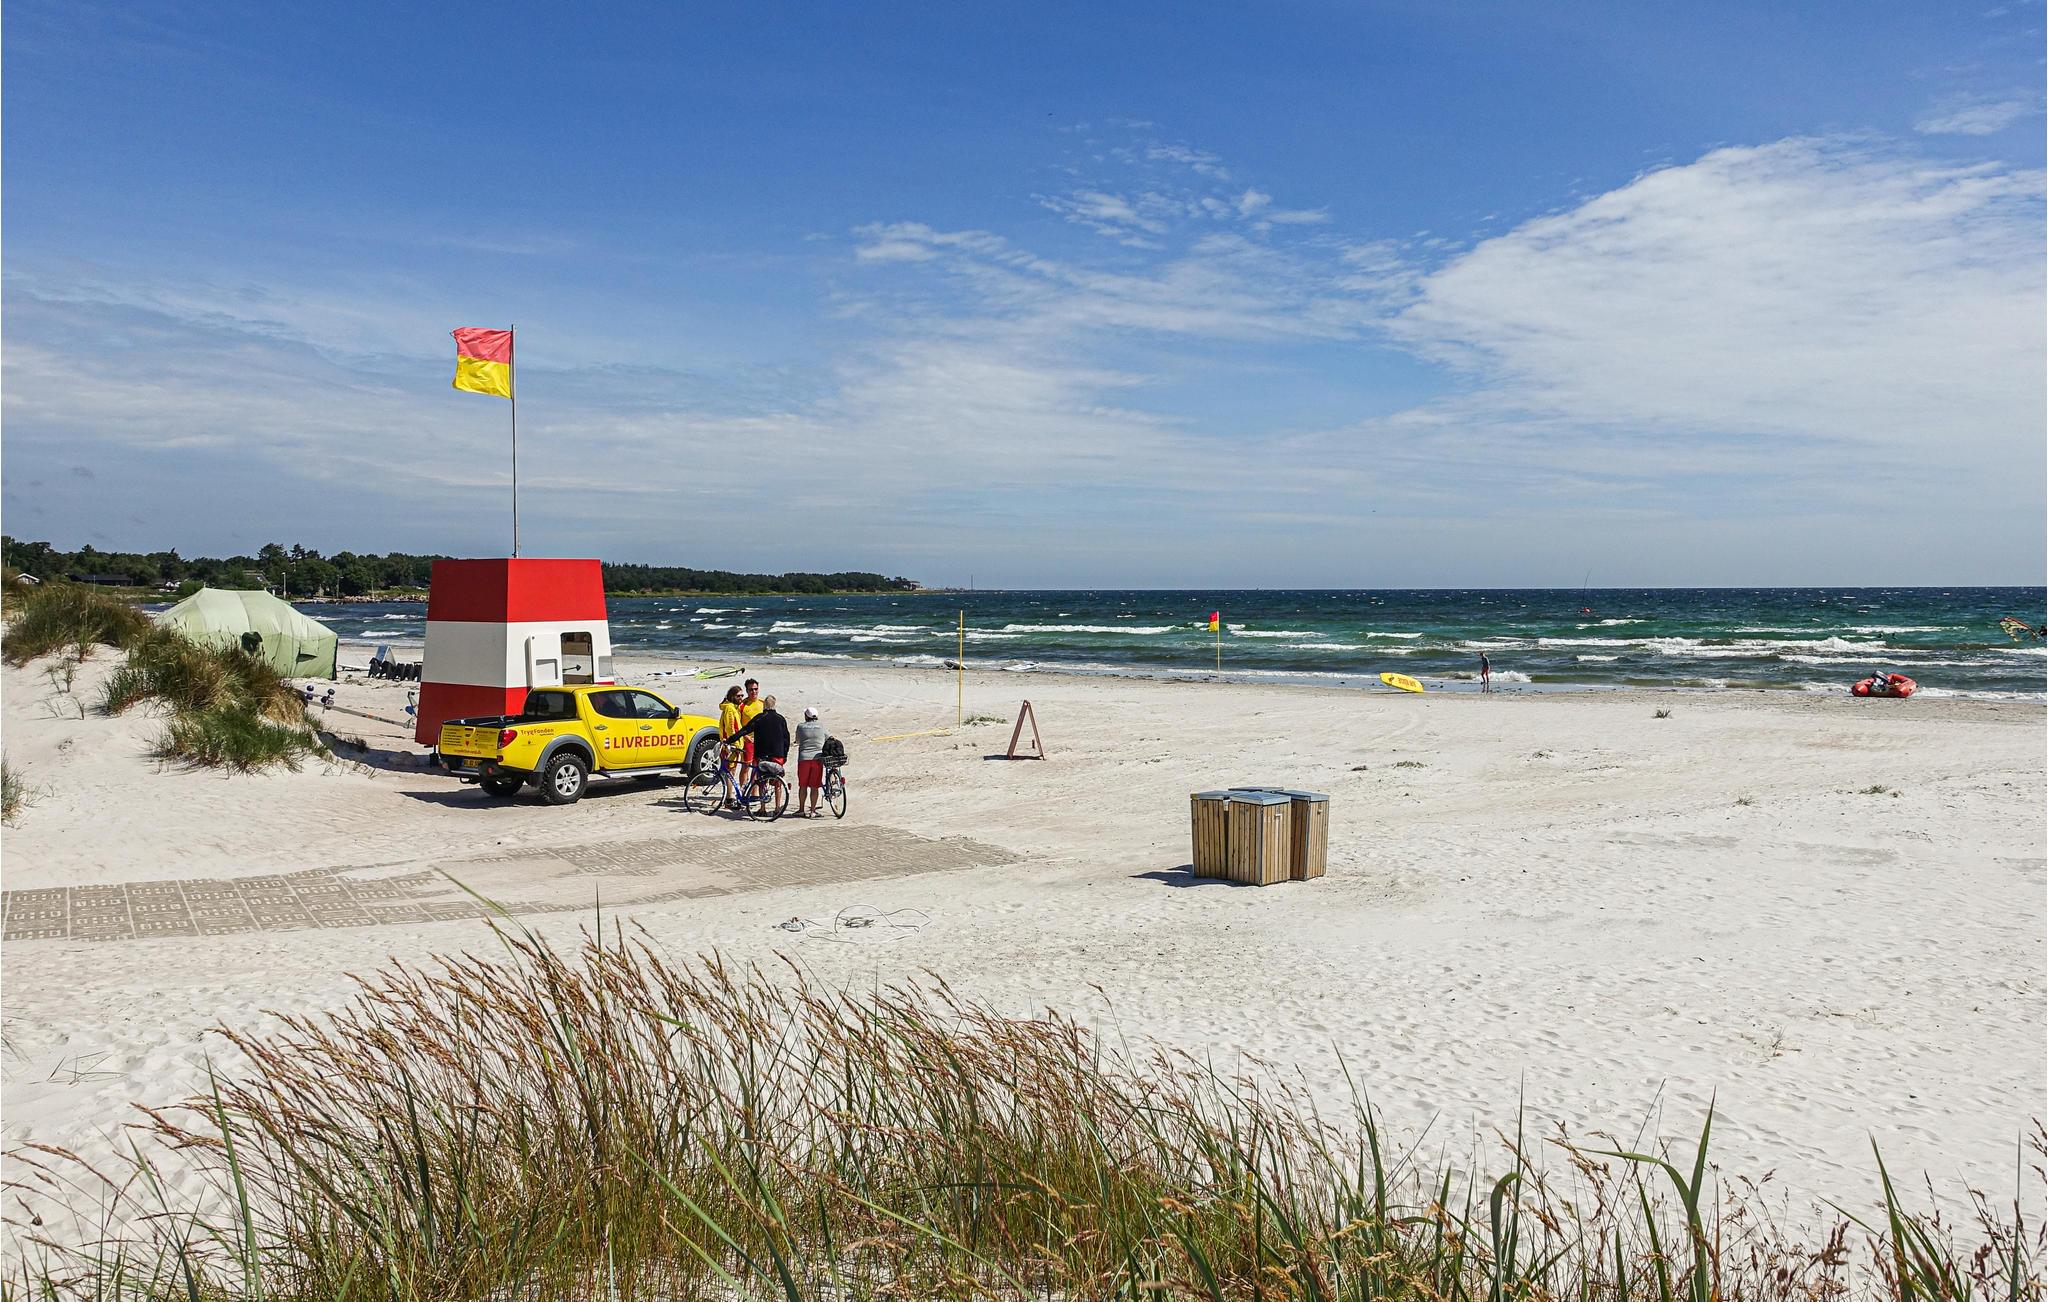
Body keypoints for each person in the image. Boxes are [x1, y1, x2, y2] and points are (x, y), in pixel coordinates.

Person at [726, 694, 791, 806]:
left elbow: (745, 730)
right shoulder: (781, 719)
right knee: (777, 782)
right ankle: (777, 807)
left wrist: (730, 740)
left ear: (764, 706)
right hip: (778, 754)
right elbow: (786, 738)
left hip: (762, 754)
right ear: (775, 705)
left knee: (762, 781)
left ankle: (762, 808)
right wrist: (785, 754)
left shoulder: (759, 717)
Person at [793, 706, 828, 817]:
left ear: (806, 716)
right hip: (817, 759)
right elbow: (828, 737)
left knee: (803, 785)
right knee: (814, 786)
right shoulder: (821, 726)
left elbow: (798, 740)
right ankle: (813, 811)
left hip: (804, 759)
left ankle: (801, 809)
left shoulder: (800, 726)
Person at [738, 677, 764, 783]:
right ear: (747, 691)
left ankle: (754, 790)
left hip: (761, 740)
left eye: (755, 689)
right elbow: (737, 724)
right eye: (751, 689)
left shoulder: (763, 703)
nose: (754, 692)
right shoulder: (742, 706)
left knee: (758, 767)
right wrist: (745, 736)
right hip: (748, 740)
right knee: (746, 767)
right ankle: (743, 789)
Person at [717, 685, 746, 778]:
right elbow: (730, 728)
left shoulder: (733, 707)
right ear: (732, 696)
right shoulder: (730, 708)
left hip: (732, 744)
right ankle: (728, 789)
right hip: (731, 745)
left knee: (731, 770)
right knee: (730, 771)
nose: (741, 698)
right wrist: (736, 744)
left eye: (742, 695)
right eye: (738, 696)